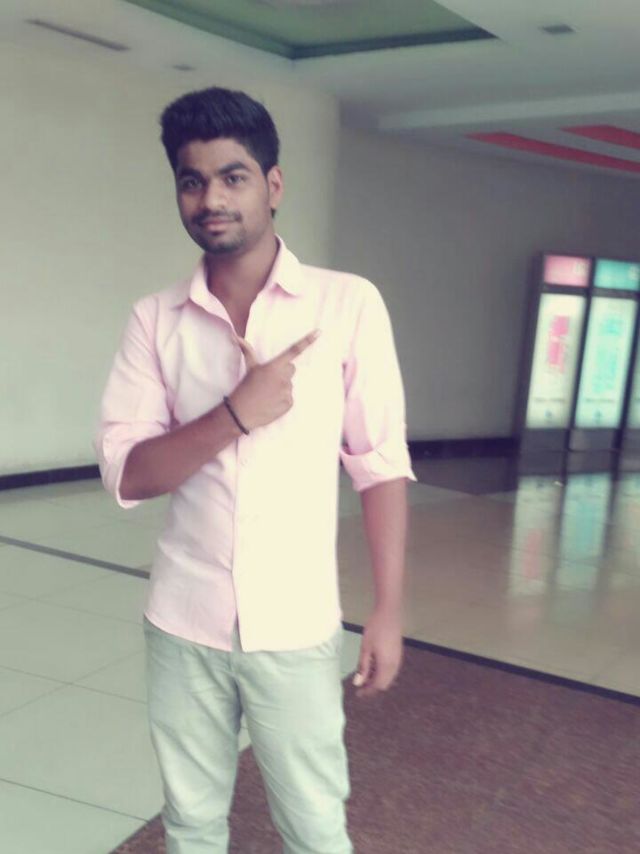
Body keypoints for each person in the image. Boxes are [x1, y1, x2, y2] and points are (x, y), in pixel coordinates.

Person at [95, 86, 415, 854]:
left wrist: (388, 609)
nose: (211, 199)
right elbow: (131, 474)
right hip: (183, 620)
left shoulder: (345, 305)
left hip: (296, 624)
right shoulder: (156, 319)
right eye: (192, 180)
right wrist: (235, 412)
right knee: (191, 824)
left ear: (273, 185)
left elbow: (379, 465)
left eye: (232, 177)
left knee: (313, 827)